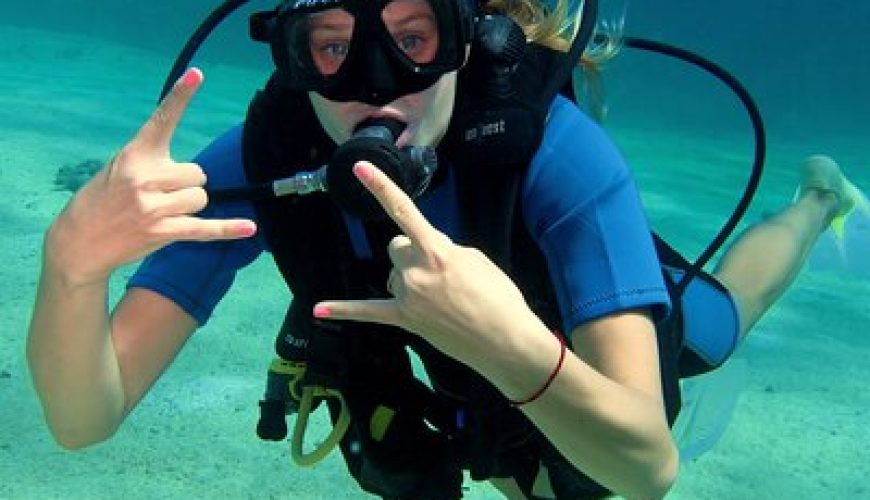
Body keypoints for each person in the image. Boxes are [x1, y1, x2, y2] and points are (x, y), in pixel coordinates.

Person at [26, 0, 863, 498]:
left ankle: (821, 195)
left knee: (716, 320)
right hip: (479, 383)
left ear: (468, 36)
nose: (376, 82)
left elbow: (649, 467)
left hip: (556, 340)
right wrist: (69, 268)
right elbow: (82, 419)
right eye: (334, 46)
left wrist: (512, 348)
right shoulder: (266, 161)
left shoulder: (557, 154)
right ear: (296, 54)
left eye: (414, 40)